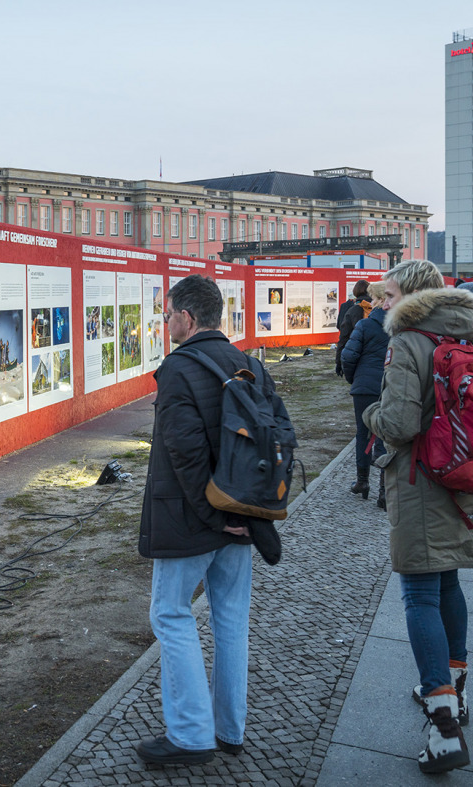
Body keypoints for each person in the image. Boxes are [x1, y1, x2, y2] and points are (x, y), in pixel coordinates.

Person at [363, 260, 473, 774]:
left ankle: (443, 724)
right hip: (466, 479)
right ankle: (455, 691)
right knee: (447, 587)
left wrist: (369, 414)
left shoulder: (407, 342)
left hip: (423, 482)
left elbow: (398, 422)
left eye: (389, 294)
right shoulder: (472, 333)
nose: (382, 303)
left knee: (419, 593)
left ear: (414, 296)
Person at [136, 274, 272, 765]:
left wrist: (216, 516)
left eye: (168, 313)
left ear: (186, 318)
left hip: (192, 517)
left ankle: (191, 735)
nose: (166, 321)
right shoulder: (246, 363)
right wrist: (241, 514)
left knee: (170, 613)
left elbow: (185, 453)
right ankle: (229, 729)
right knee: (231, 619)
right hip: (241, 515)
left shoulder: (178, 367)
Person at [341, 281, 388, 507]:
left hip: (365, 388)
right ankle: (384, 491)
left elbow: (348, 357)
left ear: (377, 300)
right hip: (391, 386)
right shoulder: (401, 327)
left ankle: (362, 482)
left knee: (363, 433)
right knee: (388, 436)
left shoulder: (365, 325)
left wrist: (354, 379)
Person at [336, 280, 371, 376]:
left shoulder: (352, 311)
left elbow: (344, 338)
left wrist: (339, 362)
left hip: (357, 353)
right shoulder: (377, 307)